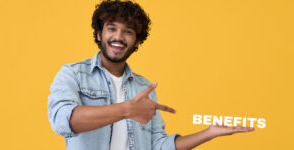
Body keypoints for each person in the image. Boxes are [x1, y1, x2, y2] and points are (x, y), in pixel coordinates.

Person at [48, 0, 254, 150]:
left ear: (137, 41)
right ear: (100, 34)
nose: (119, 36)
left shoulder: (143, 87)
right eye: (112, 28)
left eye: (128, 31)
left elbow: (159, 146)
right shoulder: (73, 74)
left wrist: (209, 133)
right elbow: (62, 121)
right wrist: (128, 109)